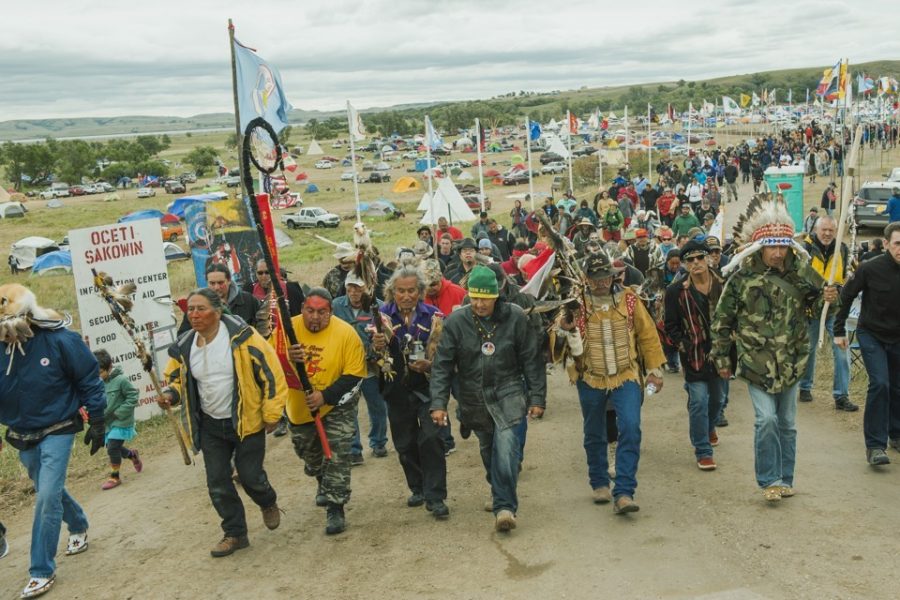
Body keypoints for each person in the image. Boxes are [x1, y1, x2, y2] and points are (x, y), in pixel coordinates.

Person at [710, 195, 839, 502]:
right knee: (766, 420)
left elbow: (822, 306)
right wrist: (720, 357)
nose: (779, 253)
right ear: (761, 247)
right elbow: (722, 320)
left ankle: (786, 478)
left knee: (788, 425)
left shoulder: (802, 272)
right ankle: (769, 479)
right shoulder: (741, 279)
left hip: (793, 361)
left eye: (783, 247)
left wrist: (831, 298)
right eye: (773, 247)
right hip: (756, 364)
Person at [161, 288, 287, 556]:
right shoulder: (185, 346)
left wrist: (272, 411)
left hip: (246, 421)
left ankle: (268, 501)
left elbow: (271, 373)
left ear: (217, 312)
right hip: (210, 426)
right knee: (217, 481)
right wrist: (170, 394)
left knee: (251, 477)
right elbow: (175, 378)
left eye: (200, 309)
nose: (194, 315)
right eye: (190, 309)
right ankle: (235, 533)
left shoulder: (243, 338)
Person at [0, 284, 106, 598]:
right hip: (22, 432)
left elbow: (88, 377)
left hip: (59, 425)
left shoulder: (60, 340)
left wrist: (97, 418)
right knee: (46, 485)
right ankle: (78, 524)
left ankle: (41, 569)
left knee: (46, 495)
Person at [431, 265, 546, 532]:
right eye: (475, 297)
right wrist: (438, 403)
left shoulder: (516, 318)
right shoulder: (456, 322)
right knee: (488, 449)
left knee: (506, 448)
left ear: (497, 296)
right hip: (473, 397)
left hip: (509, 392)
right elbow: (442, 366)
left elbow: (531, 359)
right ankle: (497, 487)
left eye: (485, 298)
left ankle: (504, 507)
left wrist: (537, 397)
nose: (479, 304)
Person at [556, 252, 666, 514]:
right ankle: (599, 482)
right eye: (595, 278)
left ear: (613, 274)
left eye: (605, 276)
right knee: (594, 432)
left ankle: (625, 491)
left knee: (631, 426)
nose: (601, 282)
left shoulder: (629, 299)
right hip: (590, 377)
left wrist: (654, 370)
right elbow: (556, 344)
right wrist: (564, 327)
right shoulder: (576, 303)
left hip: (626, 374)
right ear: (586, 278)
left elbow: (647, 334)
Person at [285, 288, 368, 534]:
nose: (315, 317)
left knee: (337, 454)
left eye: (322, 312)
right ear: (302, 310)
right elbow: (269, 362)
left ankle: (335, 506)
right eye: (310, 311)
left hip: (337, 404)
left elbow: (354, 375)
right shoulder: (287, 330)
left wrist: (325, 396)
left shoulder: (346, 334)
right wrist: (286, 356)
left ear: (330, 312)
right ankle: (321, 479)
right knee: (309, 454)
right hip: (300, 407)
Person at [373, 266, 450, 519]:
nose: (406, 296)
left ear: (420, 292)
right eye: (400, 291)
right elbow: (370, 357)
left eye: (411, 291)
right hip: (396, 389)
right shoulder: (380, 317)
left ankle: (435, 496)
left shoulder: (434, 317)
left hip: (428, 388)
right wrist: (376, 346)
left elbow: (447, 357)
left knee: (431, 438)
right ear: (392, 292)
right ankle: (417, 487)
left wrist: (430, 365)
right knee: (405, 443)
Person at [834, 222, 900, 466]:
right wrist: (838, 330)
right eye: (897, 243)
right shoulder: (869, 269)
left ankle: (897, 433)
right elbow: (847, 295)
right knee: (880, 383)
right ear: (886, 244)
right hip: (871, 333)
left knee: (897, 386)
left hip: (898, 336)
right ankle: (874, 446)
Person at [664, 240, 728, 470]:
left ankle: (708, 427)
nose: (696, 263)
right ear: (684, 264)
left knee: (719, 400)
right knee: (699, 401)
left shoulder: (724, 283)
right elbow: (669, 325)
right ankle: (703, 450)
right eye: (690, 260)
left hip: (721, 355)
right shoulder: (675, 291)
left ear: (709, 258)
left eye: (700, 258)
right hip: (694, 356)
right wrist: (683, 345)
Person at [798, 216, 858, 411]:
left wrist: (838, 291)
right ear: (816, 229)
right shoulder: (804, 249)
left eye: (831, 230)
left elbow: (846, 278)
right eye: (824, 230)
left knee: (842, 349)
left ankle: (841, 395)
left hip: (835, 309)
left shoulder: (842, 248)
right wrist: (818, 293)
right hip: (811, 308)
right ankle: (805, 386)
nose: (827, 234)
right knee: (809, 348)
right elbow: (800, 278)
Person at [331, 273, 390, 461]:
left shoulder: (378, 307)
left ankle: (379, 442)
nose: (354, 292)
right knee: (348, 408)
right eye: (350, 287)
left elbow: (388, 336)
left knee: (377, 406)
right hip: (346, 368)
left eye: (358, 287)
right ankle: (354, 449)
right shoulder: (336, 306)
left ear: (367, 288)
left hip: (371, 366)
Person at [93, 349, 143, 490]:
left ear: (109, 367)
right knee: (111, 446)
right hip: (108, 422)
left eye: (101, 372)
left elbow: (133, 396)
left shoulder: (121, 380)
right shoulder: (97, 383)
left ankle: (115, 477)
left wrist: (120, 412)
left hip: (121, 420)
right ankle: (132, 455)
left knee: (112, 447)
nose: (99, 376)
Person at [178, 264, 265, 335]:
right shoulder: (196, 306)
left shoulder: (248, 300)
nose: (216, 287)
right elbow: (182, 337)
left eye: (220, 283)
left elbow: (265, 323)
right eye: (212, 283)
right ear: (207, 282)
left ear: (229, 280)